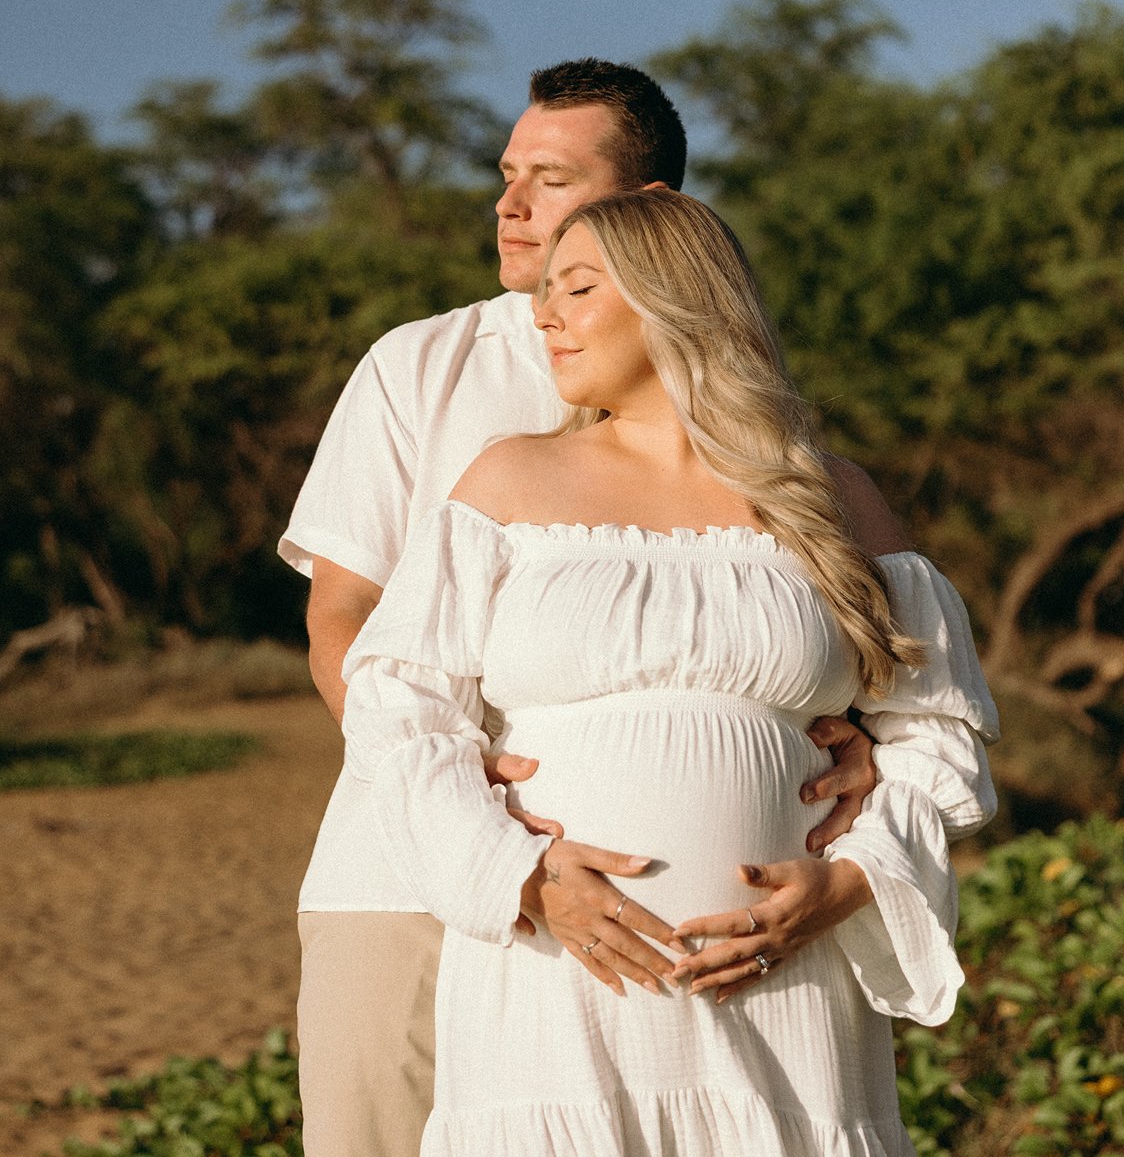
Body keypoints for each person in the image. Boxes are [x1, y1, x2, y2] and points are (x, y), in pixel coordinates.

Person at [285, 60, 881, 1156]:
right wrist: (480, 833)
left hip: (723, 962)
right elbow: (347, 627)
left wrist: (868, 755)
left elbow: (838, 638)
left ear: (653, 212)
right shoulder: (420, 365)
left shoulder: (751, 422)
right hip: (403, 866)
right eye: (506, 174)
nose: (509, 207)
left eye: (550, 180)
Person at [343, 189, 999, 1155]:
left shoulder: (828, 495)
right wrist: (517, 875)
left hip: (787, 993)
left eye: (577, 287)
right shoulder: (508, 479)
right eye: (546, 292)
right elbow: (398, 709)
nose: (543, 312)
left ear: (671, 298)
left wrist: (852, 881)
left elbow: (940, 729)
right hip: (558, 982)